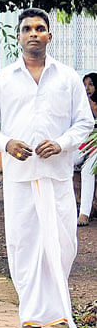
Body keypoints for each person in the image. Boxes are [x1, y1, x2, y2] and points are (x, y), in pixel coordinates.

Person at [0, 8, 94, 328]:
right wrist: (6, 142)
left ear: (49, 36)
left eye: (40, 28)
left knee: (63, 242)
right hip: (20, 176)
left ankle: (56, 312)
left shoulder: (68, 77)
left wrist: (61, 143)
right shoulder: (3, 79)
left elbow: (84, 122)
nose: (33, 34)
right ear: (18, 37)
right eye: (27, 28)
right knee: (24, 244)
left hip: (56, 175)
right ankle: (31, 315)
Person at [74, 72, 97, 227]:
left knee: (88, 170)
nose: (87, 88)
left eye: (91, 84)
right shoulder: (81, 106)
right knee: (67, 162)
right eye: (85, 84)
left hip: (96, 149)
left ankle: (84, 214)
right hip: (85, 145)